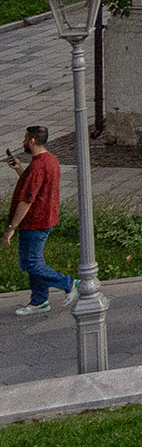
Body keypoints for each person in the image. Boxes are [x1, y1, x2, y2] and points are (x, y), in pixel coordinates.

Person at [5, 127, 75, 316]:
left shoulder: (38, 165)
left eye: (26, 138)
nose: (24, 141)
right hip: (45, 218)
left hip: (35, 220)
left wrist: (11, 227)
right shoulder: (50, 160)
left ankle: (69, 283)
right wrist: (19, 168)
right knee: (33, 261)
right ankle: (39, 301)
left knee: (30, 263)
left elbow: (27, 199)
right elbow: (34, 185)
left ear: (33, 141)